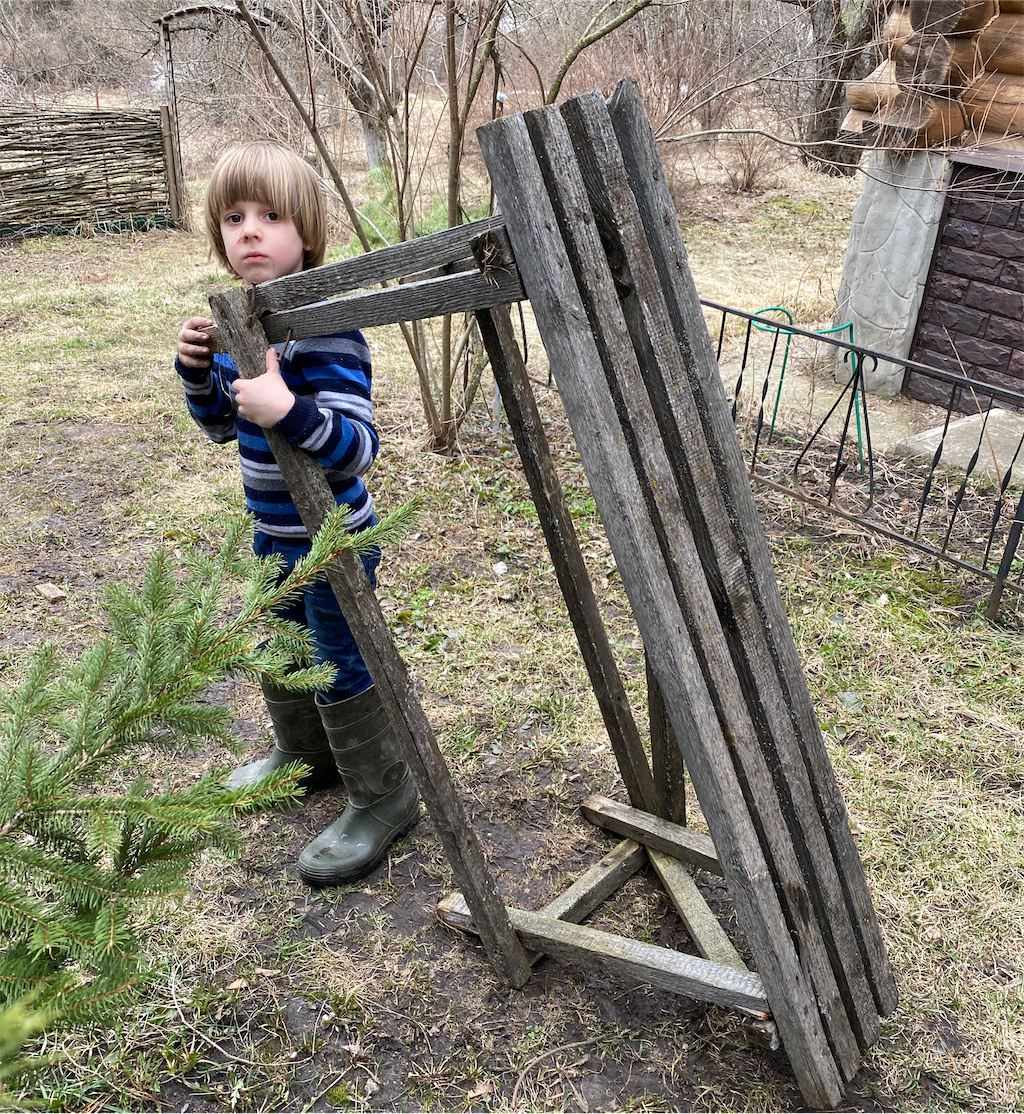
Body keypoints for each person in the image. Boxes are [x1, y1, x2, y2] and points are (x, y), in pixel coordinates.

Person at [174, 140, 418, 888]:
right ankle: (303, 756)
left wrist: (287, 407)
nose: (249, 231)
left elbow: (355, 446)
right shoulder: (239, 323)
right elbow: (222, 424)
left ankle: (384, 796)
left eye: (270, 216)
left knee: (340, 658)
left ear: (306, 233)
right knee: (282, 643)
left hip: (336, 538)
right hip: (276, 533)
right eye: (234, 217)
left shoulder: (326, 330)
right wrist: (197, 373)